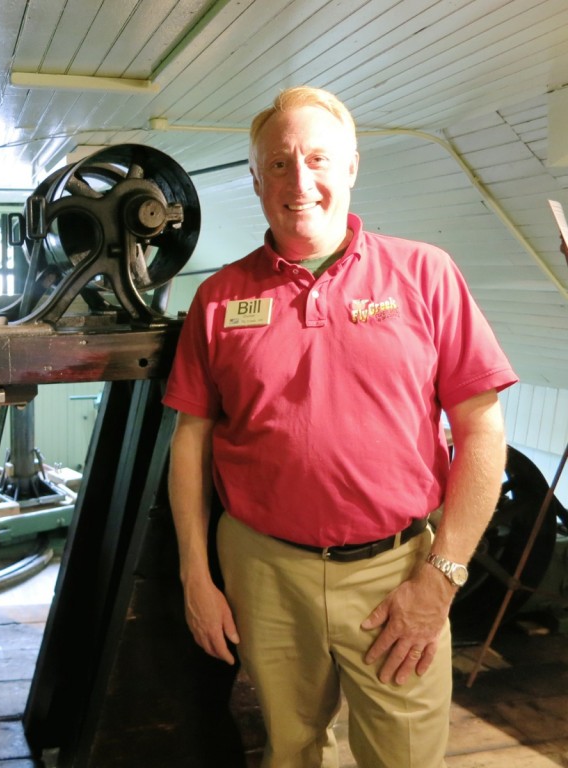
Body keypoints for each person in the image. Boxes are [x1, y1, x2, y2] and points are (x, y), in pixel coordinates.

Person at [163, 86, 518, 768]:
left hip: (397, 571)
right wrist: (194, 576)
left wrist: (441, 577)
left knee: (406, 757)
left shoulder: (425, 274)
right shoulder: (219, 298)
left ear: (351, 167)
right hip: (262, 569)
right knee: (291, 750)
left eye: (319, 159)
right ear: (255, 178)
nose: (301, 181)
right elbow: (191, 442)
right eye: (279, 164)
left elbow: (482, 431)